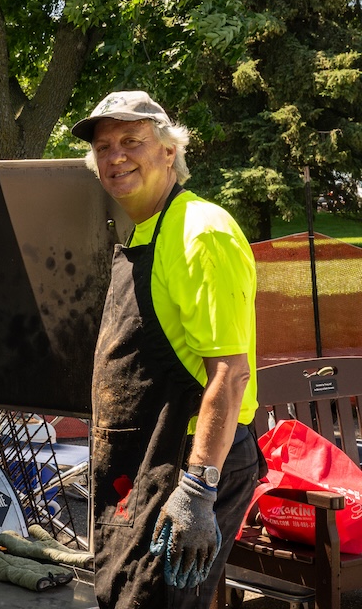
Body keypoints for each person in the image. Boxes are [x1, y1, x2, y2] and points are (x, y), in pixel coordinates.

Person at [71, 90, 260, 609]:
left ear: (169, 151)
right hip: (147, 460)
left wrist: (198, 490)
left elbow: (230, 373)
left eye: (132, 141)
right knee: (123, 596)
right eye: (104, 147)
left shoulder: (202, 233)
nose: (115, 157)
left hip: (193, 461)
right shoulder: (146, 230)